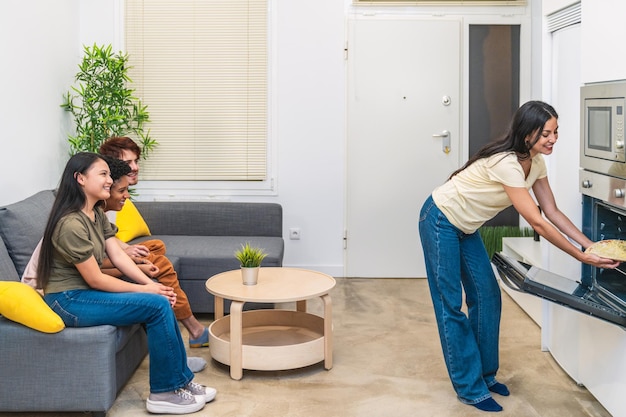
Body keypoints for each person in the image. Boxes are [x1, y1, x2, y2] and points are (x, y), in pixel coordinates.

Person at [418, 100, 619, 413]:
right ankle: (469, 388)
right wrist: (581, 258)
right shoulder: (506, 163)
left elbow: (552, 211)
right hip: (440, 219)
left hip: (466, 227)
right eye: (546, 134)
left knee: (487, 297)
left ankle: (485, 375)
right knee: (450, 304)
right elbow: (537, 221)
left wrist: (589, 246)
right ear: (528, 135)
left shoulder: (536, 162)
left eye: (556, 132)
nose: (553, 139)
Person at [36, 152, 216, 414]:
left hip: (83, 295)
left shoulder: (95, 213)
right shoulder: (70, 224)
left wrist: (153, 284)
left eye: (109, 174)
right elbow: (95, 278)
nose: (110, 180)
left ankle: (181, 381)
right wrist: (146, 289)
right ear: (80, 178)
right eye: (103, 174)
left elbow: (119, 256)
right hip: (68, 301)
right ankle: (163, 393)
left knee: (160, 299)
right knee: (155, 305)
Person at [99, 136, 209, 349]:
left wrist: (129, 251)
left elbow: (109, 239)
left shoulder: (110, 200)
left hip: (107, 253)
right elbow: (95, 259)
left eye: (136, 161)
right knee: (160, 264)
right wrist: (139, 266)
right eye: (128, 163)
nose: (135, 167)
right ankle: (195, 329)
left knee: (156, 247)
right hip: (96, 263)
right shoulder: (96, 204)